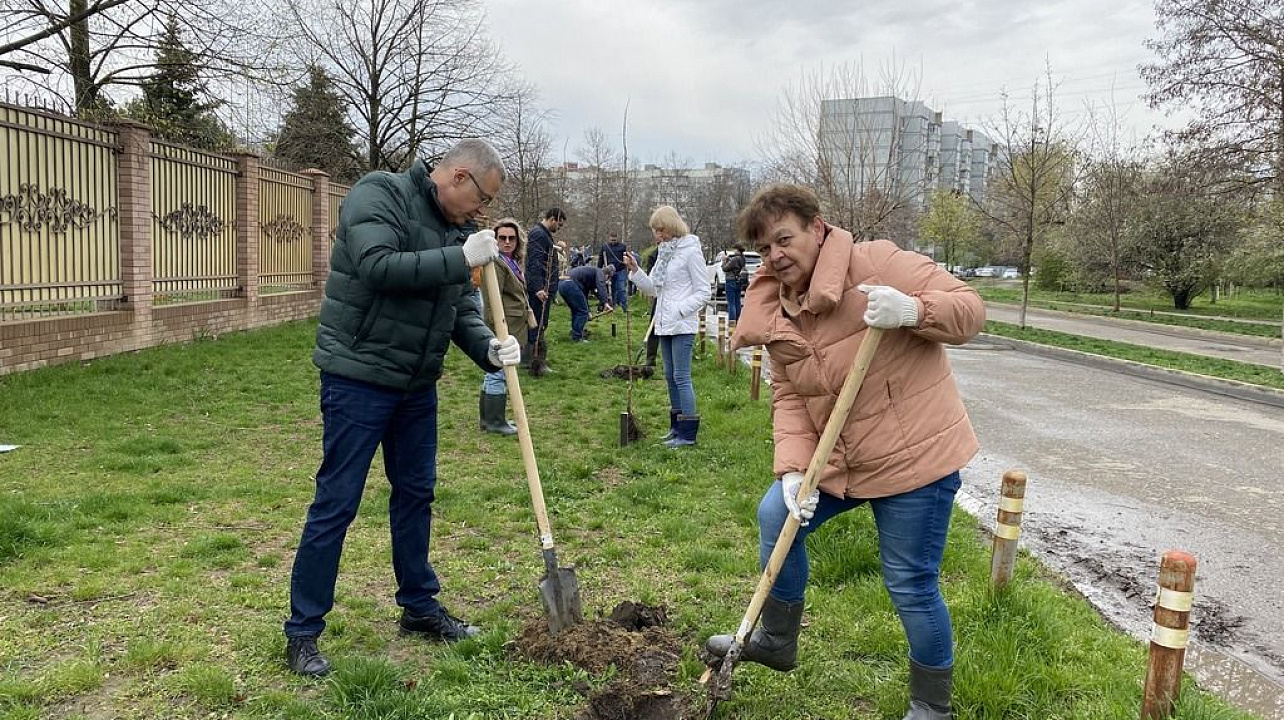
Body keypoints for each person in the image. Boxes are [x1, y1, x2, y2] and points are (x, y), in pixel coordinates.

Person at [703, 184, 985, 719]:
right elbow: (788, 394)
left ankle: (932, 706)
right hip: (842, 459)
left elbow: (970, 311)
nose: (776, 256)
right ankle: (779, 640)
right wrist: (791, 470)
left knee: (909, 583)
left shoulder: (878, 262)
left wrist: (913, 310)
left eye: (784, 239)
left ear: (817, 226)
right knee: (774, 515)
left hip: (913, 462)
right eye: (764, 249)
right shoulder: (777, 307)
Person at [283, 140, 523, 677]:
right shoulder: (379, 194)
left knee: (416, 494)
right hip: (358, 377)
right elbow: (378, 267)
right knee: (337, 502)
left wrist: (487, 346)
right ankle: (302, 632)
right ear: (458, 176)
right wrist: (459, 258)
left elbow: (458, 303)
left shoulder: (457, 230)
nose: (481, 212)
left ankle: (418, 606)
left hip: (417, 385)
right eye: (481, 198)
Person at [622, 206, 710, 448]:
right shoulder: (664, 252)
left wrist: (681, 309)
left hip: (682, 323)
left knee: (682, 377)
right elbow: (653, 288)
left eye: (660, 230)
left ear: (671, 227)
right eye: (655, 230)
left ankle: (688, 434)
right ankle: (675, 428)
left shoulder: (691, 252)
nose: (657, 235)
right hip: (663, 323)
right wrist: (635, 271)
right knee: (670, 377)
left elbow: (704, 291)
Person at [479, 218, 538, 436]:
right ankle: (495, 420)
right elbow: (490, 299)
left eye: (511, 238)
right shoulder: (496, 263)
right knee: (499, 372)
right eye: (502, 238)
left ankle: (489, 419)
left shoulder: (510, 262)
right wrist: (495, 330)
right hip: (503, 327)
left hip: (513, 324)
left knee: (493, 372)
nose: (506, 242)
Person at [524, 208, 566, 375]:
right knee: (538, 324)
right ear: (552, 219)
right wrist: (538, 288)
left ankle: (532, 360)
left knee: (540, 324)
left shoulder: (542, 235)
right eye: (559, 225)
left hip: (544, 288)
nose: (559, 228)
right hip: (540, 290)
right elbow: (534, 263)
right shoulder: (539, 235)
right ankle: (535, 362)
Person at [558, 264, 613, 341]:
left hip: (562, 285)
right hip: (570, 284)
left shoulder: (588, 277)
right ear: (607, 275)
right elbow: (601, 286)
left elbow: (583, 297)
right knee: (582, 312)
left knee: (576, 310)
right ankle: (577, 337)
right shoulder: (600, 272)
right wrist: (606, 303)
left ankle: (575, 333)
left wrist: (588, 311)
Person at [598, 231, 630, 312]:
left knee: (621, 289)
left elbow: (626, 258)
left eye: (614, 240)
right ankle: (612, 306)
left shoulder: (622, 247)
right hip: (610, 271)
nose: (613, 242)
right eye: (612, 240)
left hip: (620, 270)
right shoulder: (605, 247)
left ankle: (625, 308)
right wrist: (598, 271)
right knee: (611, 290)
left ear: (617, 238)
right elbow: (601, 259)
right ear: (609, 238)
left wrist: (628, 267)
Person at [721, 244, 747, 323]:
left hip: (731, 281)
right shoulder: (743, 258)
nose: (733, 251)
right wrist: (729, 259)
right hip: (738, 281)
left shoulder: (735, 259)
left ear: (737, 250)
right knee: (737, 302)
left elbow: (725, 268)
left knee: (731, 303)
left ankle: (732, 322)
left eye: (734, 249)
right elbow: (734, 266)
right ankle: (738, 320)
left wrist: (724, 260)